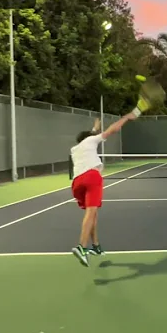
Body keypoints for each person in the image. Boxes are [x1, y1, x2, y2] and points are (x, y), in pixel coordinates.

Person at [70, 113, 136, 267]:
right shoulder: (91, 140)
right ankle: (82, 247)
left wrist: (94, 128)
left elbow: (89, 135)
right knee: (91, 213)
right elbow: (112, 130)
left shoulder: (76, 148)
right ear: (90, 136)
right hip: (92, 178)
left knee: (92, 213)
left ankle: (96, 247)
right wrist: (126, 118)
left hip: (77, 182)